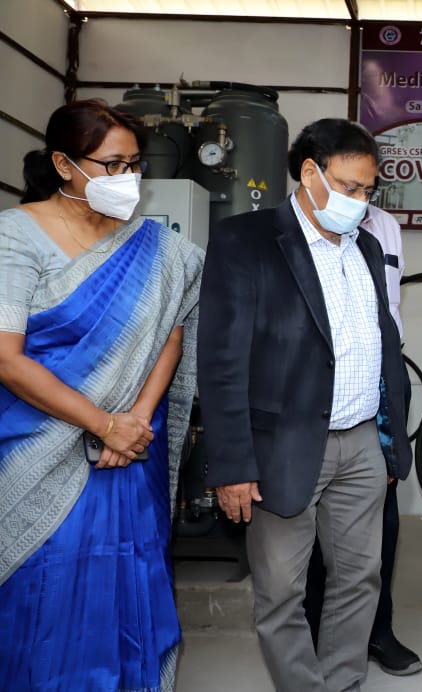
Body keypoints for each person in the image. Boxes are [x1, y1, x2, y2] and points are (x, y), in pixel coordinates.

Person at [197, 118, 411, 692]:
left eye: (369, 192)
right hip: (282, 446)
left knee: (360, 579)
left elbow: (383, 344)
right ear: (310, 173)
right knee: (282, 591)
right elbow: (220, 364)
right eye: (350, 188)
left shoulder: (365, 245)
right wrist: (234, 465)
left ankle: (341, 682)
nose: (361, 203)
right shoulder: (246, 241)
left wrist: (391, 444)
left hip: (363, 440)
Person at [0, 99, 203, 690]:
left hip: (128, 452)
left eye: (135, 165)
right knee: (47, 588)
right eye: (111, 165)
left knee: (126, 582)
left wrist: (134, 421)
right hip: (37, 448)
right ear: (65, 164)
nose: (126, 179)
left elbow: (171, 329)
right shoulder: (16, 236)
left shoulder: (155, 248)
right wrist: (100, 422)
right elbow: (6, 358)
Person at [303, 198, 422, 676]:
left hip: (380, 383)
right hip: (318, 386)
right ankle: (313, 634)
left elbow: (389, 304)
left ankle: (378, 629)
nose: (359, 193)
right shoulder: (296, 226)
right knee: (308, 519)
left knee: (381, 519)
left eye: (367, 182)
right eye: (350, 182)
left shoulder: (388, 226)